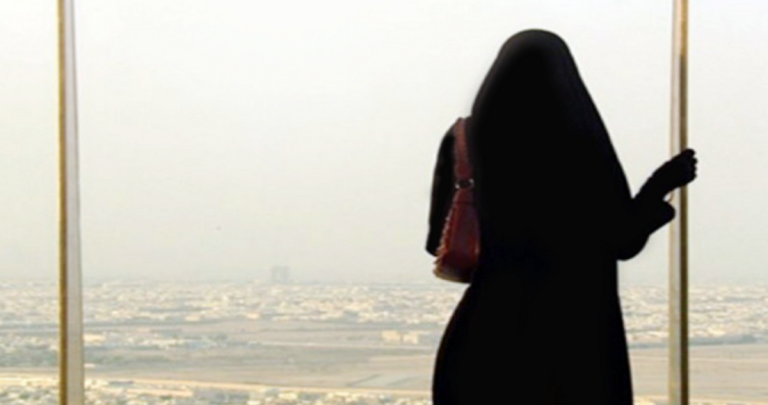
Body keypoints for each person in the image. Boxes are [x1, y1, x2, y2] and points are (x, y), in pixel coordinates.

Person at [425, 29, 697, 405]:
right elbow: (623, 239)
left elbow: (437, 243)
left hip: (486, 344)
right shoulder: (581, 143)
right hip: (577, 349)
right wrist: (659, 186)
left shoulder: (463, 141)